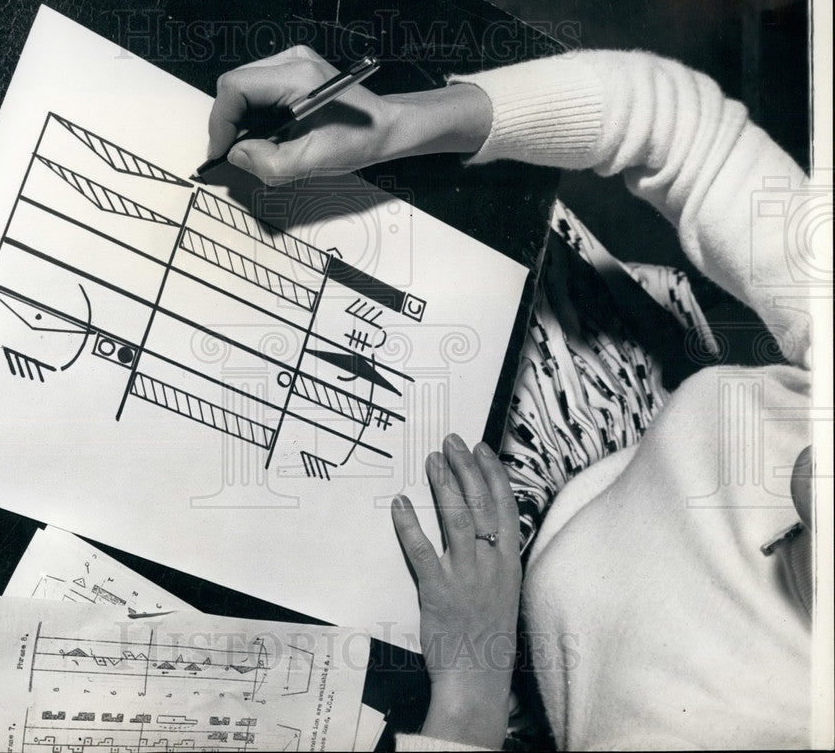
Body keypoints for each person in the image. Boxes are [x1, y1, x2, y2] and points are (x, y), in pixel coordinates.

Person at [206, 46, 815, 749]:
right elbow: (685, 131)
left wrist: (471, 687)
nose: (808, 473)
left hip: (514, 687)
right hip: (627, 422)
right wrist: (400, 121)